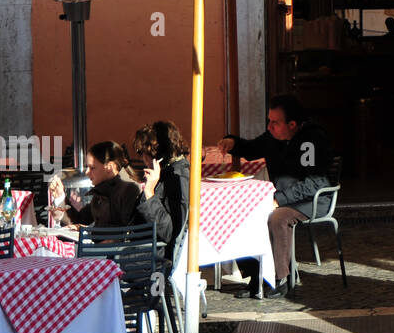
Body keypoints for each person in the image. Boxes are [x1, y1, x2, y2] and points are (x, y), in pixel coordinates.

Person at [219, 95, 333, 298]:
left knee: (277, 218)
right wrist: (232, 142)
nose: (269, 127)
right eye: (268, 121)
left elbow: (314, 183)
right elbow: (252, 148)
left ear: (292, 124)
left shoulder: (311, 140)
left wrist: (278, 200)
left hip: (312, 199)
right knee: (237, 212)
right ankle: (257, 276)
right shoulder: (273, 137)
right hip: (281, 197)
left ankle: (281, 278)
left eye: (275, 122)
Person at [131, 120, 191, 262]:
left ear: (155, 153)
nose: (142, 158)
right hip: (141, 247)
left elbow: (171, 232)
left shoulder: (178, 178)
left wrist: (150, 193)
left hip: (156, 257)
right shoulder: (164, 173)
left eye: (142, 152)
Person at [49, 141, 142, 229]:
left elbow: (122, 233)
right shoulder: (103, 190)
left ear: (109, 167)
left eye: (92, 168)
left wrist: (89, 231)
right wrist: (60, 197)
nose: (87, 172)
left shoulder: (129, 189)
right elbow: (78, 220)